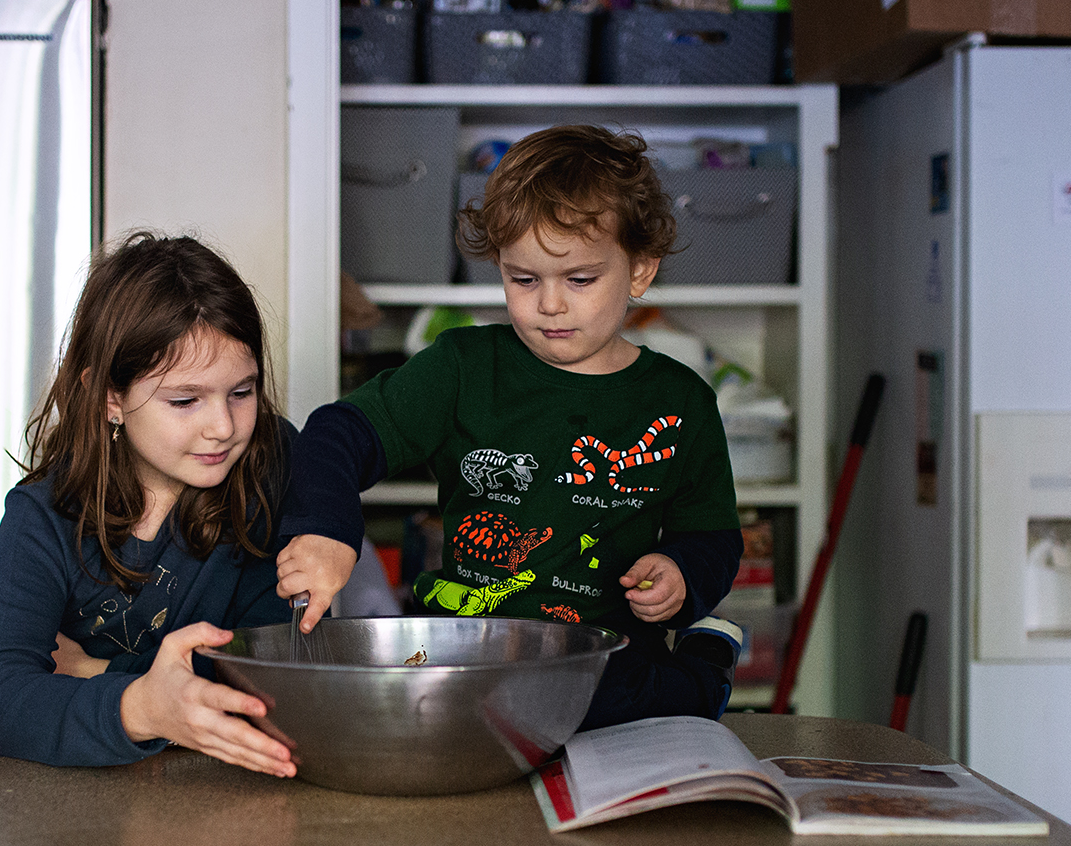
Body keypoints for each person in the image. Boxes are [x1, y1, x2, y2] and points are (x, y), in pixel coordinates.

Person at [277, 125, 745, 729]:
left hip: (603, 661)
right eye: (523, 280)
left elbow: (712, 537)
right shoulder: (462, 368)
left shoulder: (682, 403)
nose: (549, 304)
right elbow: (337, 434)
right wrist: (323, 532)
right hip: (467, 654)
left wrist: (682, 573)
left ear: (639, 272)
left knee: (651, 703)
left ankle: (710, 655)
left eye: (579, 280)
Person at [0, 233, 297, 776]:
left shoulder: (268, 469)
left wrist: (94, 670)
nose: (224, 427)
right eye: (185, 400)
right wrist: (142, 707)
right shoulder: (42, 517)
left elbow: (275, 674)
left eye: (242, 392)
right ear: (111, 398)